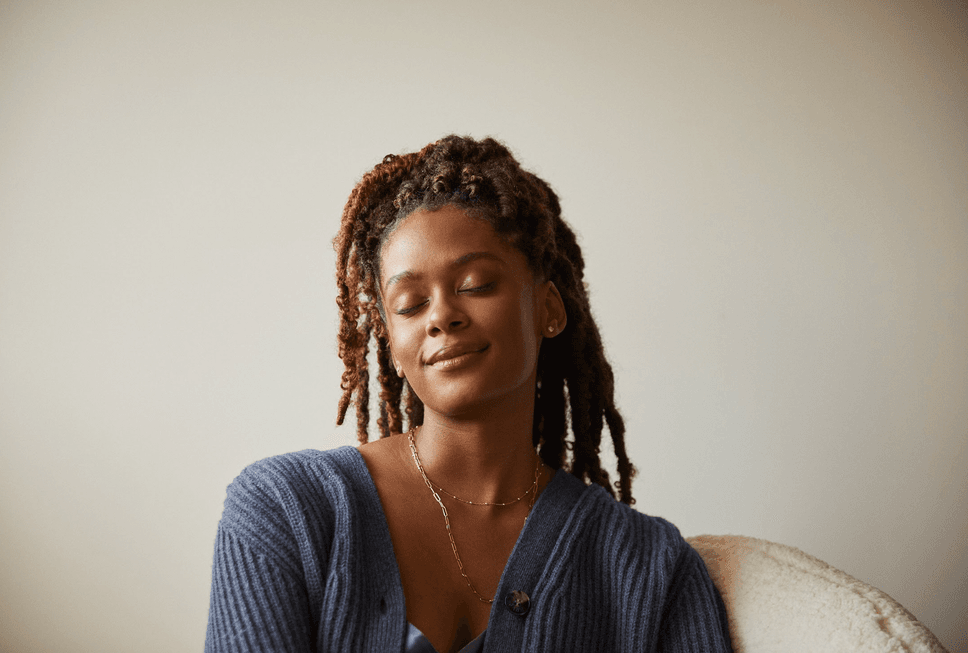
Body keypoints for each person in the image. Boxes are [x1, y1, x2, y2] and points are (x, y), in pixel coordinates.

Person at [205, 135, 732, 652]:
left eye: (476, 284)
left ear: (548, 308)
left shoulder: (650, 568)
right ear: (390, 343)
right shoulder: (284, 511)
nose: (441, 317)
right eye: (410, 304)